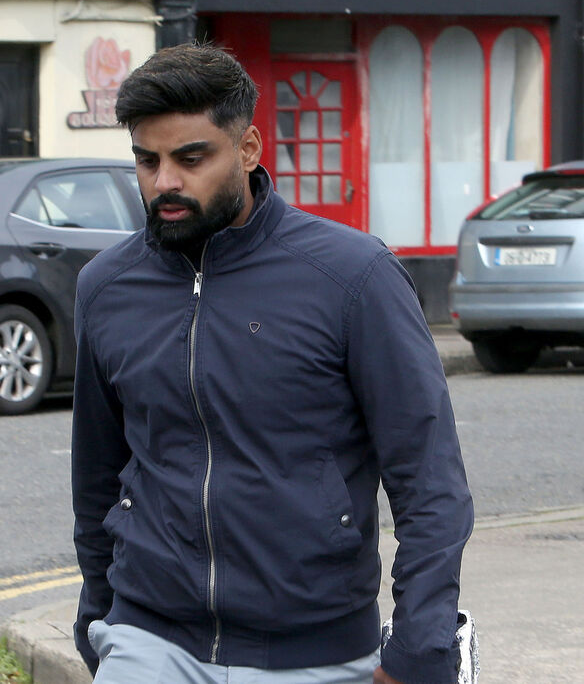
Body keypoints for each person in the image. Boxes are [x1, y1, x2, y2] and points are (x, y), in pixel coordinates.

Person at [71, 44, 473, 684]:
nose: (165, 181)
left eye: (191, 158)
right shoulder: (106, 288)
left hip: (316, 650)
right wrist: (99, 620)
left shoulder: (354, 277)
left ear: (249, 148)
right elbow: (96, 477)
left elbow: (428, 477)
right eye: (147, 160)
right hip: (149, 638)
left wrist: (421, 648)